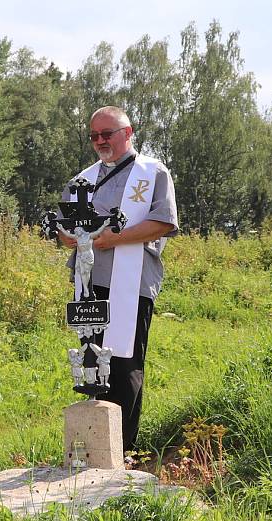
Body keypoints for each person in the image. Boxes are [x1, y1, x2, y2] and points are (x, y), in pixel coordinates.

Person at [59, 106, 179, 453]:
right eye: (94, 135)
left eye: (106, 134)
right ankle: (93, 448)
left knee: (124, 364)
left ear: (128, 132)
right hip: (89, 283)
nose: (99, 141)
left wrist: (114, 239)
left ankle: (123, 451)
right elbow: (64, 227)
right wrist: (65, 237)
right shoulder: (82, 179)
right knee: (91, 362)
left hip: (132, 282)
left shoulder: (152, 172)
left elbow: (164, 223)